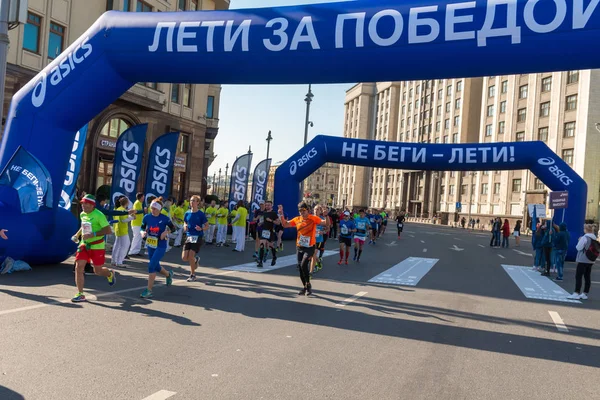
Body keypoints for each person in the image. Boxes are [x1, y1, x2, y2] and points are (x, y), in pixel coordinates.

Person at [71, 194, 117, 303]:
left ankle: (110, 274)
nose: (84, 205)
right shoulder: (82, 214)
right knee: (79, 267)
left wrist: (94, 234)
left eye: (86, 203)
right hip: (84, 245)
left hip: (97, 246)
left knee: (98, 271)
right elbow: (83, 226)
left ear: (92, 205)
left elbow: (108, 230)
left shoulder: (99, 215)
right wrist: (77, 235)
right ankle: (80, 293)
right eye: (82, 203)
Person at [278, 202, 328, 296]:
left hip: (310, 247)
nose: (301, 212)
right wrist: (281, 214)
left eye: (303, 210)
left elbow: (325, 223)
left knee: (304, 264)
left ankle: (308, 285)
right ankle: (306, 286)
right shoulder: (297, 219)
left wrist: (326, 215)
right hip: (300, 246)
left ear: (307, 210)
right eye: (300, 211)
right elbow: (285, 224)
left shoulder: (313, 218)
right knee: (300, 268)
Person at [139, 198, 175, 298]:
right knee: (156, 266)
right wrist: (142, 232)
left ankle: (149, 290)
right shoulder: (146, 217)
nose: (152, 210)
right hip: (150, 244)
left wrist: (166, 232)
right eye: (151, 208)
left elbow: (173, 228)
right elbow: (142, 227)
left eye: (154, 208)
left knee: (151, 266)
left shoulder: (164, 218)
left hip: (161, 245)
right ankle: (168, 274)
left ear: (159, 209)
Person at [182, 195, 209, 282]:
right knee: (184, 258)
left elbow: (207, 226)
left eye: (194, 201)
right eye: (191, 200)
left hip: (197, 236)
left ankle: (192, 274)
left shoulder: (200, 214)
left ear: (198, 203)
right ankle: (195, 260)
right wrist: (185, 226)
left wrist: (201, 228)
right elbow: (185, 222)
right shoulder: (187, 213)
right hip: (189, 236)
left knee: (190, 256)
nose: (192, 202)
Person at [567, 224, 597, 300]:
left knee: (578, 276)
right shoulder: (594, 238)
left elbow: (578, 247)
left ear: (586, 230)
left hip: (583, 259)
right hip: (591, 260)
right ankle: (585, 293)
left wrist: (579, 240)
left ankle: (576, 292)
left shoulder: (585, 237)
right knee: (587, 277)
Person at [111, 196, 136, 267]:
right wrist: (132, 218)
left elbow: (124, 218)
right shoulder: (123, 210)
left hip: (118, 229)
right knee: (125, 245)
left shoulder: (118, 209)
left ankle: (114, 260)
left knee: (117, 245)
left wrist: (131, 216)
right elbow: (124, 220)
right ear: (127, 203)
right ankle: (119, 261)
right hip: (122, 230)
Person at [257, 201, 280, 268]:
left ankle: (274, 257)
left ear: (271, 206)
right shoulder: (264, 213)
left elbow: (278, 223)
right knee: (262, 245)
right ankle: (260, 262)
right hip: (264, 231)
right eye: (266, 205)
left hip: (270, 231)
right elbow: (262, 221)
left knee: (270, 246)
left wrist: (271, 220)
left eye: (268, 205)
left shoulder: (273, 213)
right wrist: (260, 223)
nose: (267, 206)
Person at [128, 192, 146, 256]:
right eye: (143, 197)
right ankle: (132, 251)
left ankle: (136, 251)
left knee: (139, 237)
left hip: (139, 223)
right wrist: (143, 210)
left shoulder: (139, 203)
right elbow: (136, 212)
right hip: (136, 223)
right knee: (136, 237)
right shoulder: (137, 203)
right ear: (140, 197)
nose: (144, 198)